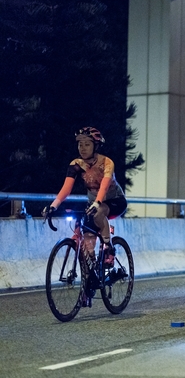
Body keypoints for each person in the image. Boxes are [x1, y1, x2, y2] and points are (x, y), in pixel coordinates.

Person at [42, 127, 128, 305]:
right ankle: (89, 284)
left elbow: (104, 185)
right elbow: (66, 189)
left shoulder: (107, 162)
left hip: (115, 201)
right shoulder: (76, 164)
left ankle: (109, 248)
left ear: (96, 146)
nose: (82, 148)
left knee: (100, 211)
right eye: (80, 144)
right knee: (86, 241)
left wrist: (97, 202)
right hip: (94, 203)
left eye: (87, 144)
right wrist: (53, 205)